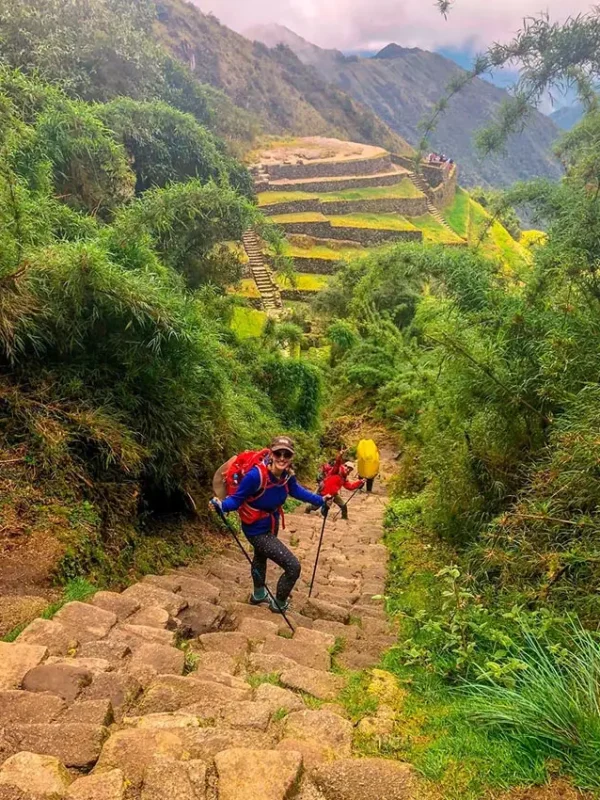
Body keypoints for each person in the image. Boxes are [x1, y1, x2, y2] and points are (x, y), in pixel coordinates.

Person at [210, 436, 330, 614]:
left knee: (260, 556)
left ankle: (258, 594)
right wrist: (221, 506)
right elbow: (236, 500)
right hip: (255, 529)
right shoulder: (255, 476)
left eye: (286, 454)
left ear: (291, 457)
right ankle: (279, 604)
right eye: (278, 453)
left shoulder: (287, 476)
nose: (282, 458)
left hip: (271, 523)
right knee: (293, 566)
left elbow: (297, 491)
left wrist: (320, 500)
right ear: (271, 454)